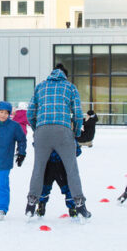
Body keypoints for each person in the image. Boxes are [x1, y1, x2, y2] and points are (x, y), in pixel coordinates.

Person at [25, 65, 89, 220]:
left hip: (42, 131)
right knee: (71, 169)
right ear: (65, 76)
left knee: (38, 169)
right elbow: (78, 114)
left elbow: (30, 113)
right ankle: (79, 205)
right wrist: (75, 132)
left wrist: (37, 129)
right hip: (63, 131)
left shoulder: (40, 86)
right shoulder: (70, 87)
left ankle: (31, 204)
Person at [34, 150, 79, 218]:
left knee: (44, 187)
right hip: (61, 164)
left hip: (47, 163)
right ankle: (72, 209)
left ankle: (41, 207)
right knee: (68, 187)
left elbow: (37, 144)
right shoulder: (66, 138)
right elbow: (76, 150)